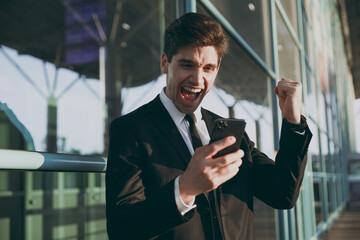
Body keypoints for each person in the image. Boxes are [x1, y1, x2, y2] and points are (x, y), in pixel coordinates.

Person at [106, 12, 312, 240]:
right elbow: (122, 229)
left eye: (208, 68)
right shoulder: (130, 130)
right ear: (165, 63)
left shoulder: (231, 133)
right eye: (187, 65)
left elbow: (282, 194)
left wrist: (293, 122)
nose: (197, 79)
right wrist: (184, 189)